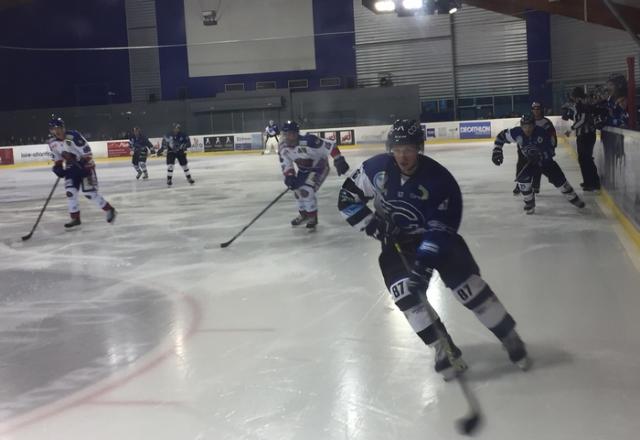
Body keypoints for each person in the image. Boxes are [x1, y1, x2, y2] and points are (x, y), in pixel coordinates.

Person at [337, 119, 530, 380]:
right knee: (406, 296)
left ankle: (508, 334)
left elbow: (440, 230)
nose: (402, 156)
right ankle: (442, 347)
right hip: (396, 244)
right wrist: (374, 226)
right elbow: (346, 198)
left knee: (469, 289)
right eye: (397, 149)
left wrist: (423, 267)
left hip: (438, 241)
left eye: (409, 149)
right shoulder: (376, 170)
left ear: (419, 148)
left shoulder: (440, 181)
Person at [492, 114, 585, 214]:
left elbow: (552, 149)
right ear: (521, 126)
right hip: (530, 162)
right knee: (523, 181)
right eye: (524, 126)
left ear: (534, 125)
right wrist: (497, 151)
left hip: (547, 163)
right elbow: (501, 136)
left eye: (530, 126)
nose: (527, 129)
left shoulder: (542, 133)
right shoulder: (516, 132)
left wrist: (541, 156)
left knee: (561, 182)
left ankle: (573, 198)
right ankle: (529, 202)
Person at [279, 120, 350, 231]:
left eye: (289, 134)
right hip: (303, 170)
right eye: (284, 134)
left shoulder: (310, 141)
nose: (286, 137)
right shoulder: (283, 147)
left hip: (319, 168)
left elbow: (330, 145)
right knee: (297, 191)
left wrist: (338, 160)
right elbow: (286, 163)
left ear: (296, 134)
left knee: (306, 191)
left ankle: (312, 217)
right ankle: (303, 214)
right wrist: (289, 176)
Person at [47, 116, 117, 228]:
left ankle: (109, 209)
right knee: (70, 192)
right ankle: (75, 218)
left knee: (89, 193)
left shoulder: (73, 136)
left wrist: (82, 161)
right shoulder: (52, 143)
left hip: (85, 168)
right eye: (53, 129)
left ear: (63, 128)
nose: (57, 131)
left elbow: (87, 152)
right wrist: (58, 167)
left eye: (58, 128)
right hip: (71, 169)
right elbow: (57, 157)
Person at [513, 102, 558, 195]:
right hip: (525, 149)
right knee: (521, 165)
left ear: (541, 109)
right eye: (534, 108)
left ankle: (535, 185)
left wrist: (552, 147)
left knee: (538, 167)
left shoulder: (546, 122)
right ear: (532, 110)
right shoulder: (527, 119)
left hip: (539, 150)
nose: (536, 110)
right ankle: (519, 185)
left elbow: (552, 136)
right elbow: (520, 133)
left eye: (538, 108)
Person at [565, 87, 601, 191]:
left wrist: (571, 129)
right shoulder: (580, 104)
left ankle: (593, 182)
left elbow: (583, 119)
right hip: (583, 135)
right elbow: (579, 118)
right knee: (583, 159)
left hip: (587, 135)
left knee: (586, 158)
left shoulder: (583, 104)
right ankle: (588, 181)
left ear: (576, 96)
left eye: (572, 95)